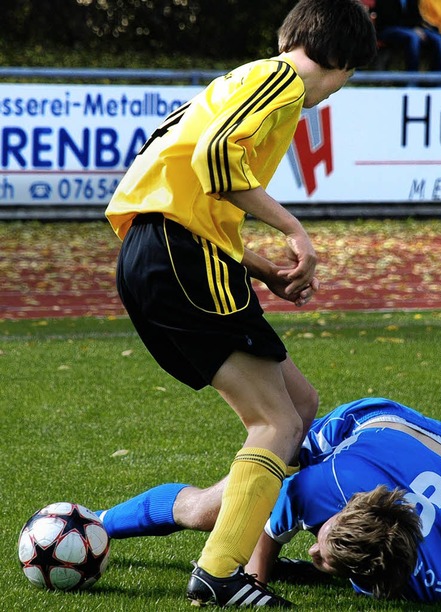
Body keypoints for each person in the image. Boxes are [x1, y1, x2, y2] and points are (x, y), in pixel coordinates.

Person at [104, 0, 377, 607]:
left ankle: (219, 520)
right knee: (275, 422)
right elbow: (216, 163)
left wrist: (264, 272)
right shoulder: (280, 80)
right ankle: (221, 573)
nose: (336, 94)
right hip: (177, 254)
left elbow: (195, 192)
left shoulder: (238, 82)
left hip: (164, 251)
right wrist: (295, 233)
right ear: (339, 61)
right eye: (347, 79)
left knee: (299, 405)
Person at [96, 396, 441, 603]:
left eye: (323, 555)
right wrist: (253, 581)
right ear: (349, 507)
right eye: (324, 540)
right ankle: (98, 522)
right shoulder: (319, 485)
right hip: (366, 424)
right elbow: (264, 540)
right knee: (213, 510)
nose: (313, 548)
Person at [374, 0, 441, 72]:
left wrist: (420, 28)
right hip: (388, 29)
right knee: (414, 37)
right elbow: (390, 19)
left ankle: (438, 78)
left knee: (438, 38)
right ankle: (412, 79)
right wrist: (413, 28)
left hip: (410, 28)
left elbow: (416, 17)